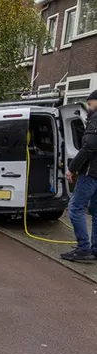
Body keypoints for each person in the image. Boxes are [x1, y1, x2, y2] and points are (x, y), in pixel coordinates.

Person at [62, 89, 97, 262]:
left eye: (89, 104)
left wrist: (72, 168)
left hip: (90, 173)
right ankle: (94, 249)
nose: (88, 108)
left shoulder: (96, 119)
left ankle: (83, 248)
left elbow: (89, 147)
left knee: (75, 208)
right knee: (96, 212)